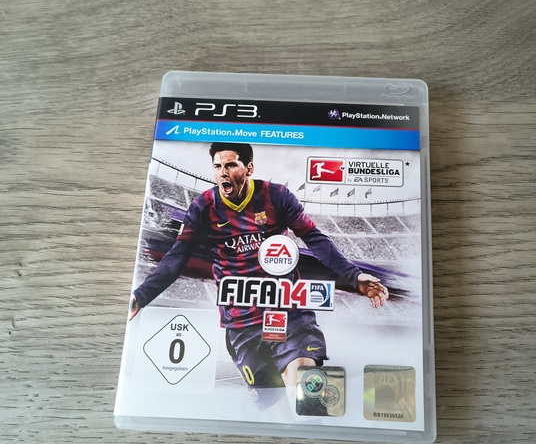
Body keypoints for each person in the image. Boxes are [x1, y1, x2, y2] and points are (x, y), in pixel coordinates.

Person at [130, 143, 388, 393]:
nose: (223, 172)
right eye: (218, 166)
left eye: (231, 165)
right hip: (241, 323)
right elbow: (177, 257)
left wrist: (354, 276)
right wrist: (140, 296)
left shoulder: (276, 196)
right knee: (273, 408)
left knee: (302, 388)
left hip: (288, 312)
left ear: (249, 169)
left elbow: (314, 238)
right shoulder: (203, 207)